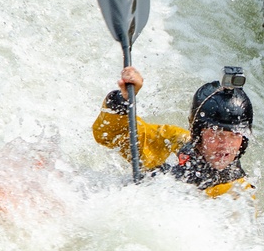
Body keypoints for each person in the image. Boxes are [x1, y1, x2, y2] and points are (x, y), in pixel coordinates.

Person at [93, 65, 254, 197]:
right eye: (216, 133)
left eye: (234, 135)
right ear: (197, 132)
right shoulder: (174, 141)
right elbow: (110, 135)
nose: (225, 145)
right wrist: (124, 100)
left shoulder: (239, 194)